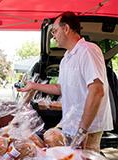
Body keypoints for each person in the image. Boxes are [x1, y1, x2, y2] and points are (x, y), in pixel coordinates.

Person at [18, 11, 113, 152]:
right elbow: (59, 88)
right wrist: (33, 85)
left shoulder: (88, 50)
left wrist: (82, 130)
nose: (53, 36)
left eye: (55, 31)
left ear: (66, 29)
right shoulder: (66, 59)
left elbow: (97, 90)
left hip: (88, 129)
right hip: (71, 126)